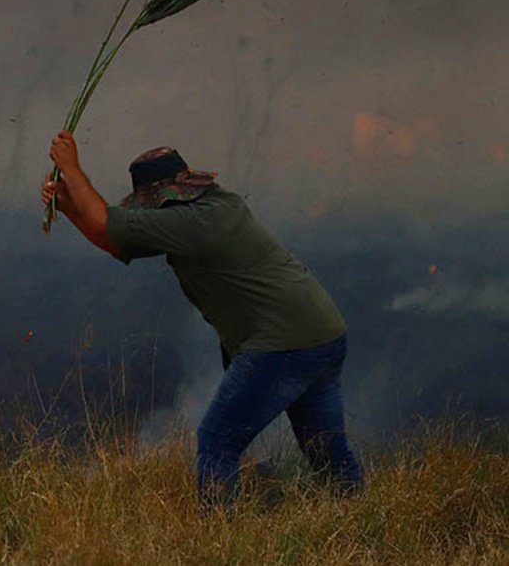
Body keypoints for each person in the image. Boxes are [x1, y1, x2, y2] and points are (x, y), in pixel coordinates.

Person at [41, 131, 364, 504]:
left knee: (217, 440)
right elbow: (114, 239)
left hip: (281, 345)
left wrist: (71, 168)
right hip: (322, 334)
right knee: (325, 450)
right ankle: (357, 512)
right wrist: (69, 207)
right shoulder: (214, 207)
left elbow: (107, 226)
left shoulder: (191, 224)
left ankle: (218, 538)